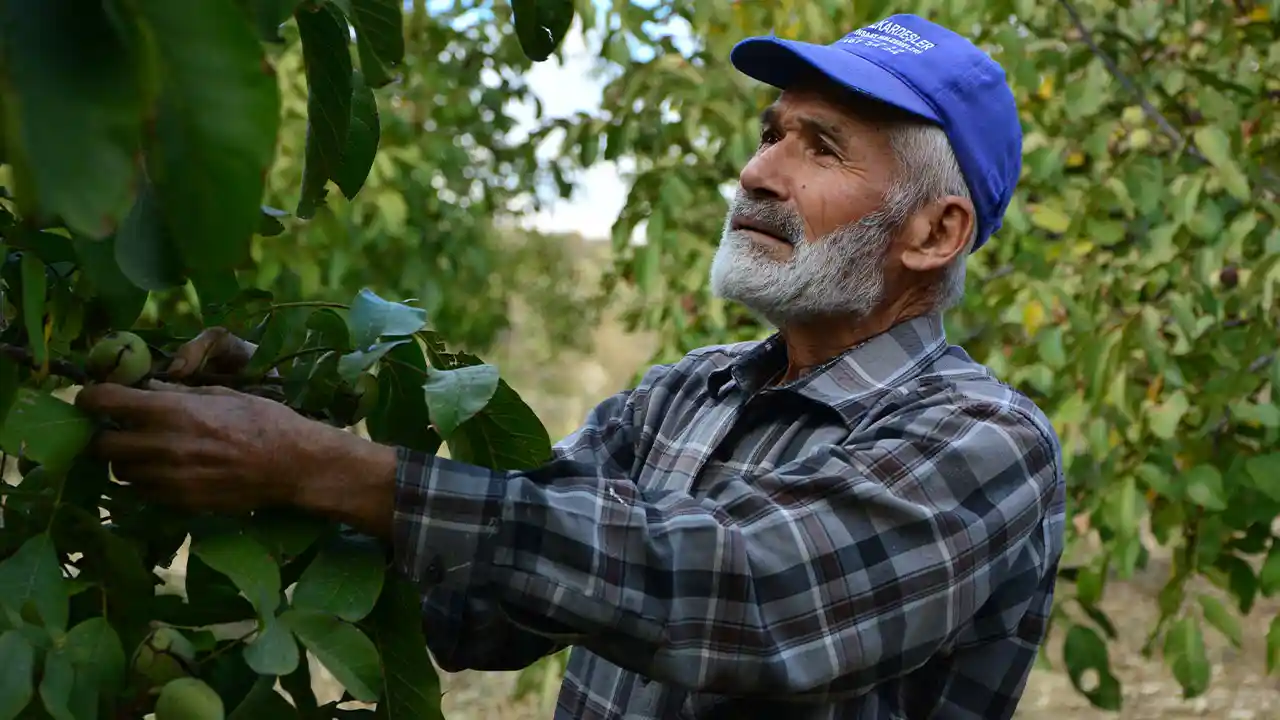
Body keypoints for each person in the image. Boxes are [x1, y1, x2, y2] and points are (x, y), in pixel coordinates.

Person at [77, 13, 1065, 720]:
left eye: (820, 146)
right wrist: (285, 438)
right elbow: (483, 611)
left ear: (935, 233)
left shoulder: (985, 441)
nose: (758, 171)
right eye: (769, 133)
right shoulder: (689, 390)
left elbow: (756, 599)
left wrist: (321, 468)